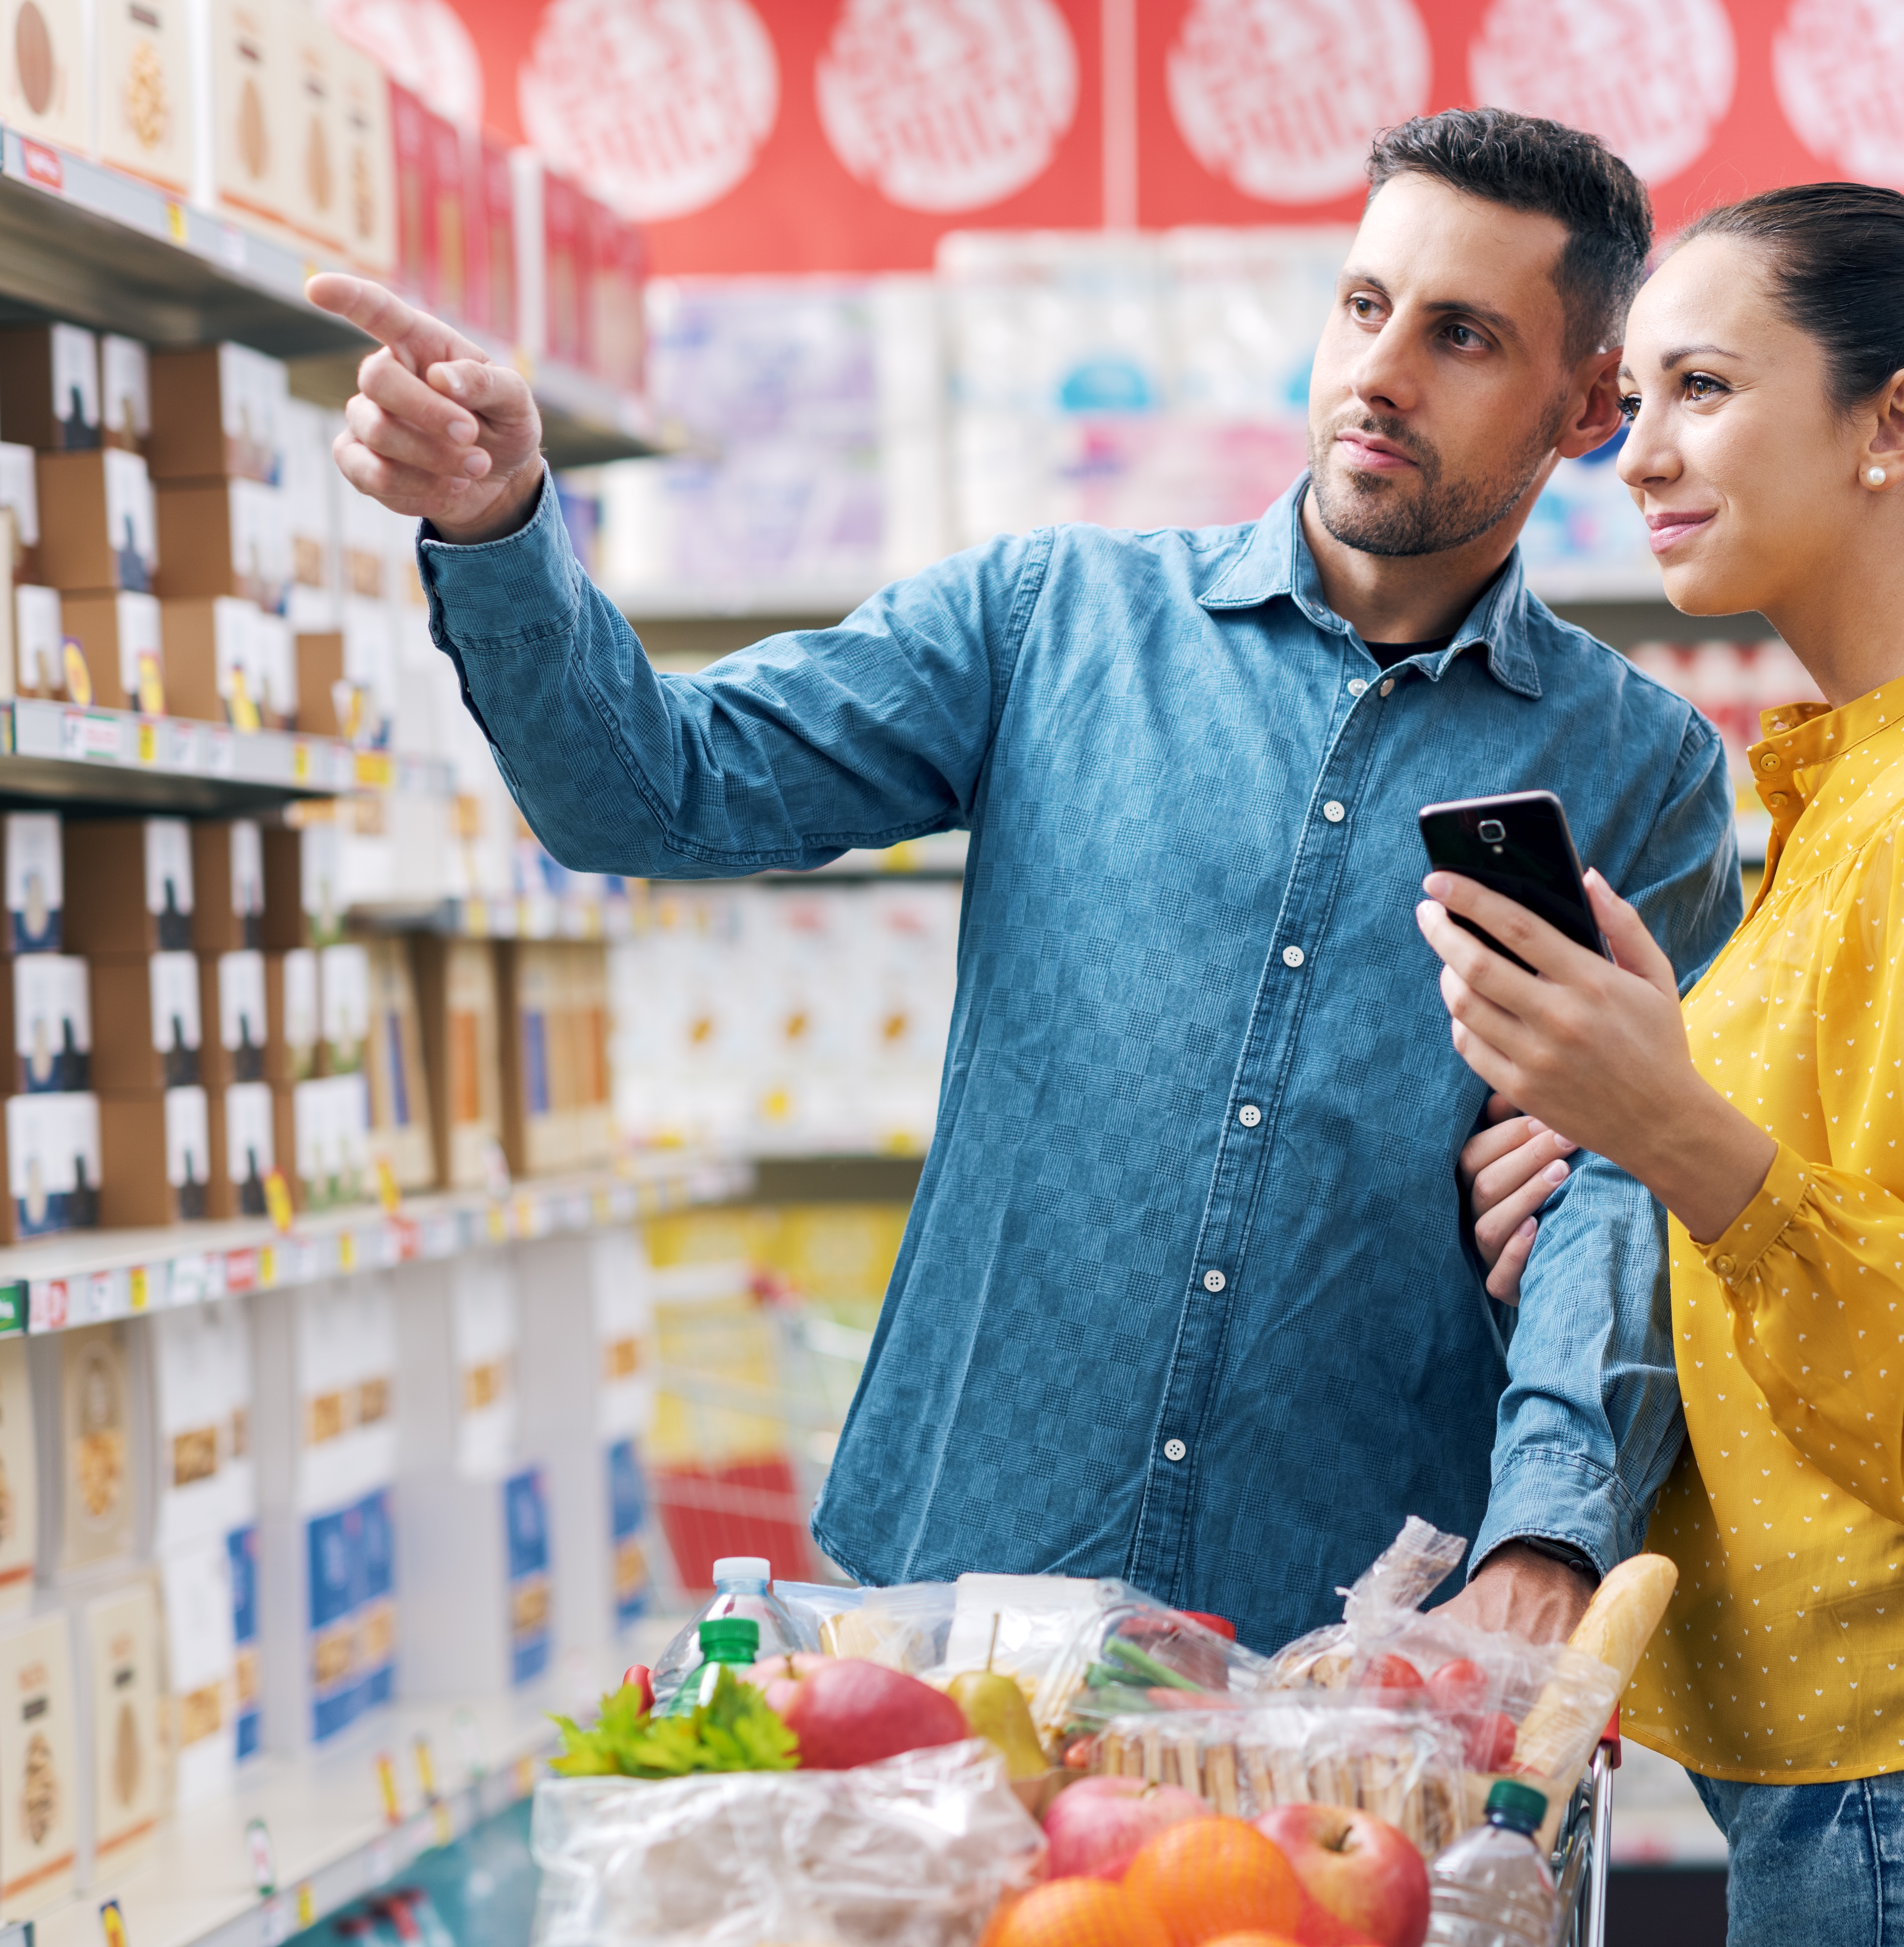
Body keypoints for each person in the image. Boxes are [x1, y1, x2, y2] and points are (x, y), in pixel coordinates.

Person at [311, 109, 1746, 1655]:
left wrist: (1547, 1532)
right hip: (961, 1604)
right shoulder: (1044, 622)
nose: (1379, 375)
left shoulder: (1640, 771)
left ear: (1588, 404)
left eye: (1462, 335)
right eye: (1363, 306)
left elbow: (1630, 1201)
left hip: (1364, 1650)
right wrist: (500, 524)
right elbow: (652, 787)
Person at [1422, 182, 1904, 1947]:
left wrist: (1677, 1127)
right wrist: (1623, 1138)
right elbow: (1840, 1237)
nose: (1637, 457)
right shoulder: (1869, 801)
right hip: (1881, 1764)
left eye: (1702, 388)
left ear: (1895, 425)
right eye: (1636, 405)